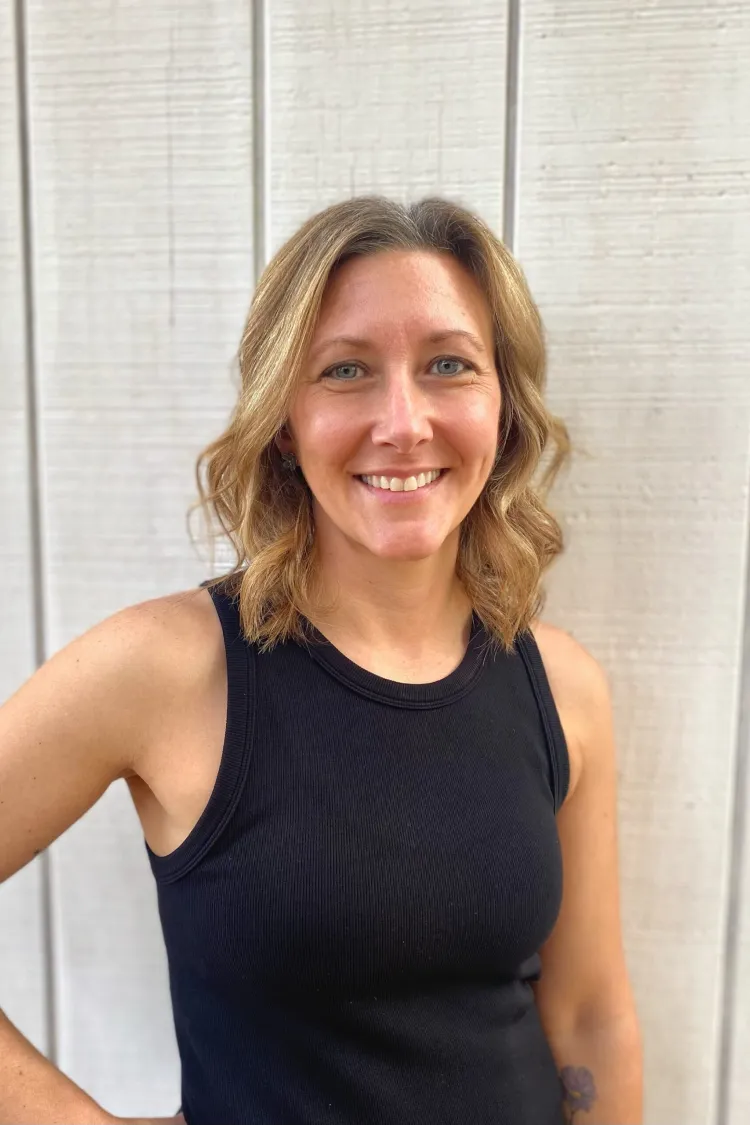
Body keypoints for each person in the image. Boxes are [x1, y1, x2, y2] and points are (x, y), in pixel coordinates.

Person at [0, 195, 642, 1125]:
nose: (404, 421)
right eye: (345, 370)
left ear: (501, 408)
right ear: (284, 422)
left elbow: (589, 1016)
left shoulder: (560, 685)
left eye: (448, 366)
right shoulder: (169, 669)